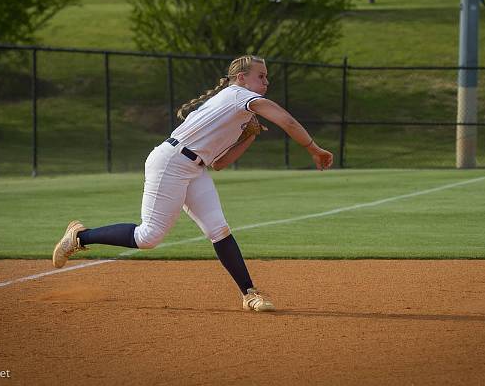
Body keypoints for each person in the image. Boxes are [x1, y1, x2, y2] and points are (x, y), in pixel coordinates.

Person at [52, 54, 334, 312]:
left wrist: (249, 136)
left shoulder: (240, 111)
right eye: (260, 75)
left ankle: (249, 294)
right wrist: (314, 149)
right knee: (148, 237)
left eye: (266, 76)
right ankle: (79, 236)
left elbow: (219, 163)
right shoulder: (238, 96)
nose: (266, 81)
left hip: (194, 168)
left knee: (218, 229)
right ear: (241, 78)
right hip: (171, 162)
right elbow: (287, 121)